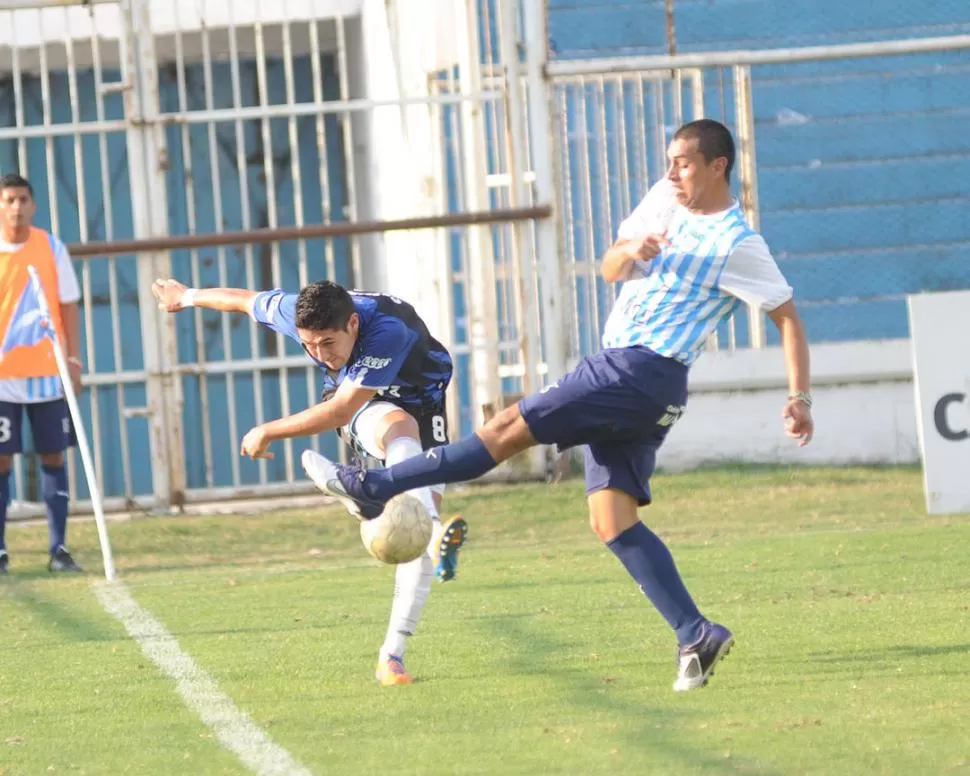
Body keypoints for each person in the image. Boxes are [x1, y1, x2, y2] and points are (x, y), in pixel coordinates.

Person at [302, 119, 815, 692]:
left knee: (502, 430)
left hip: (636, 369)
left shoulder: (738, 243)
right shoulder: (663, 200)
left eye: (686, 163)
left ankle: (373, 487)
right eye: (670, 160)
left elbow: (787, 317)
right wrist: (631, 249)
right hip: (644, 387)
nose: (673, 171)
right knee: (611, 520)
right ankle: (695, 633)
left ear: (719, 165)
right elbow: (610, 268)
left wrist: (798, 397)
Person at [151, 277, 468, 686]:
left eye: (328, 344)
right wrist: (187, 297)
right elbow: (244, 300)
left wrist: (269, 429)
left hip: (423, 404)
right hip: (369, 407)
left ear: (353, 324)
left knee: (416, 542)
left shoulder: (387, 330)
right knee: (399, 432)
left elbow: (338, 412)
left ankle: (391, 656)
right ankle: (379, 499)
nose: (319, 354)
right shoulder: (298, 313)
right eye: (308, 344)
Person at [0, 173, 85, 575]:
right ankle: (0, 550)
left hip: (48, 375)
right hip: (3, 379)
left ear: (33, 205)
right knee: (2, 461)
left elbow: (68, 305)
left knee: (54, 456)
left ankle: (59, 548)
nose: (16, 207)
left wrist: (73, 360)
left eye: (23, 200)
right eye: (9, 200)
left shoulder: (50, 248)